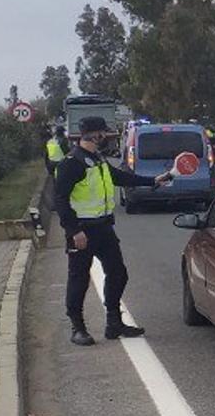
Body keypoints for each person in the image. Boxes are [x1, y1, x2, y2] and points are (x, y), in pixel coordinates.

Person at [54, 116, 171, 346]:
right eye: (102, 133)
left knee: (118, 273)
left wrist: (153, 181)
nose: (106, 136)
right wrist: (73, 230)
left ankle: (114, 323)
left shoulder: (97, 159)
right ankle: (78, 328)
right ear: (91, 134)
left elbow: (119, 177)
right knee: (78, 280)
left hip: (104, 228)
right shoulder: (72, 163)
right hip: (82, 231)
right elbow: (60, 200)